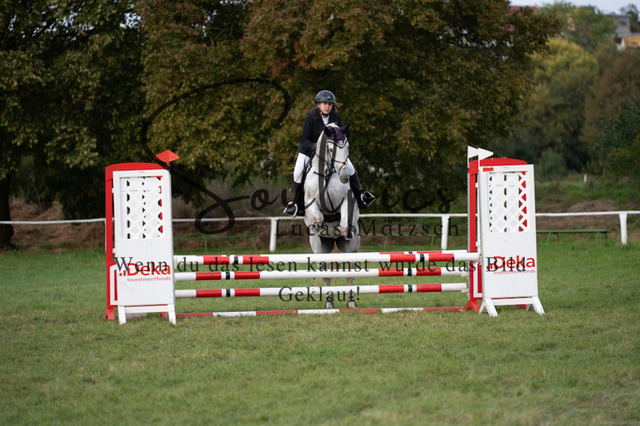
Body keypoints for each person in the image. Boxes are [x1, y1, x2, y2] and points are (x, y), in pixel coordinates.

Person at [283, 90, 376, 217]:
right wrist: (316, 147)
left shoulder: (337, 117)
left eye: (329, 104)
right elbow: (304, 140)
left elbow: (341, 135)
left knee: (349, 168)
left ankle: (360, 196)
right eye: (324, 104)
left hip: (333, 151)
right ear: (318, 105)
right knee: (297, 173)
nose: (327, 106)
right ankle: (297, 204)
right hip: (310, 150)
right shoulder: (310, 117)